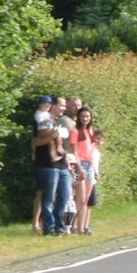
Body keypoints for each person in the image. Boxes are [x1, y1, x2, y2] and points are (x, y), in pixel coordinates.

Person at [32, 97, 71, 236]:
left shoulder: (58, 123)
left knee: (64, 196)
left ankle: (59, 227)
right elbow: (35, 142)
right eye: (61, 105)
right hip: (47, 164)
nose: (64, 108)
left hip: (61, 164)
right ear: (53, 106)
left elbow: (63, 146)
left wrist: (68, 163)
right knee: (49, 198)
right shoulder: (40, 122)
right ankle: (49, 228)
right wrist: (52, 135)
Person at [71, 105, 101, 234]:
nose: (85, 118)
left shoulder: (91, 131)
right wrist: (79, 168)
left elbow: (92, 151)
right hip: (80, 165)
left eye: (87, 116)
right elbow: (74, 151)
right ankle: (70, 225)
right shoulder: (75, 131)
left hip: (89, 166)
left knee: (86, 199)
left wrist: (94, 169)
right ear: (78, 117)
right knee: (79, 198)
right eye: (82, 116)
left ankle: (82, 227)